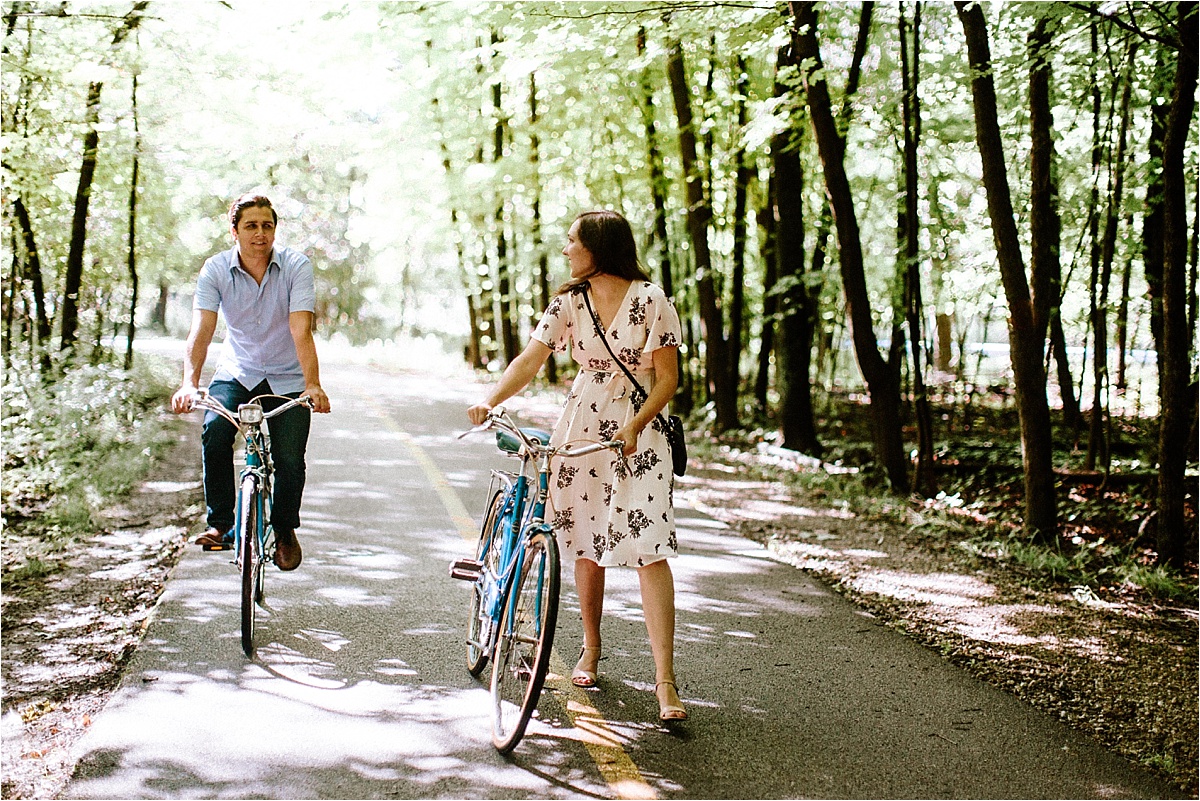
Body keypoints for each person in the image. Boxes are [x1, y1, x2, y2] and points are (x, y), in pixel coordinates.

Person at [467, 209, 687, 722]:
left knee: (649, 549)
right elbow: (530, 359)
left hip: (640, 432)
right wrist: (490, 398)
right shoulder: (569, 301)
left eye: (572, 241)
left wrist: (635, 424)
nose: (565, 249)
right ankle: (590, 648)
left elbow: (667, 379)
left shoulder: (652, 300)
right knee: (586, 538)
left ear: (598, 247)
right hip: (583, 423)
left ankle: (665, 682)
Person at [170, 193, 331, 571]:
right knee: (214, 431)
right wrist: (189, 383)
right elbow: (203, 328)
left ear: (274, 229)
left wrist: (313, 383)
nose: (260, 234)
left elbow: (300, 329)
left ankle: (285, 529)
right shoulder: (215, 269)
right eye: (251, 226)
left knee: (290, 458)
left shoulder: (295, 266)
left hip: (287, 377)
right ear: (235, 231)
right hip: (237, 370)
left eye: (267, 225)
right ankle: (222, 525)